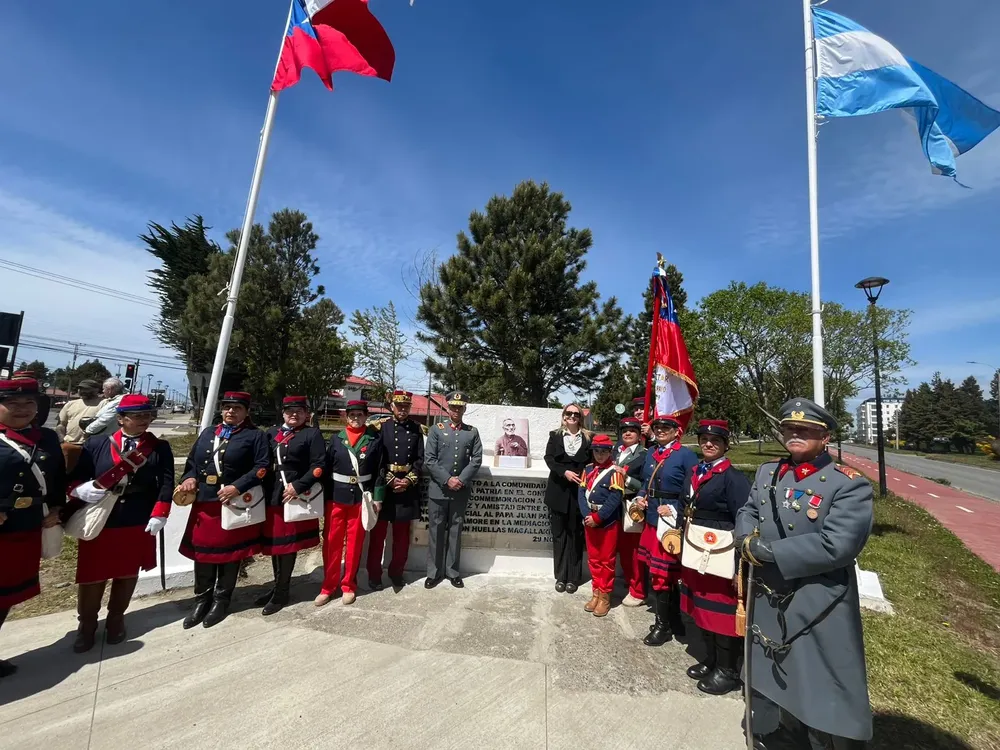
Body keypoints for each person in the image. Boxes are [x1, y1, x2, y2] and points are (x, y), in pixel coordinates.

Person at [736, 398, 873, 750]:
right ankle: (779, 730)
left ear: (824, 436)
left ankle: (822, 738)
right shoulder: (769, 472)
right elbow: (749, 510)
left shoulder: (848, 484)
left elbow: (838, 546)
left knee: (820, 676)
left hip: (816, 594)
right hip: (769, 590)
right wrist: (745, 537)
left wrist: (770, 552)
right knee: (771, 667)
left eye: (805, 430)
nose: (794, 434)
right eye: (789, 429)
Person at [65, 395, 173, 651]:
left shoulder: (159, 447)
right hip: (102, 518)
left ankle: (116, 619)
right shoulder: (98, 444)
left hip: (137, 517)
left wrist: (161, 512)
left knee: (127, 573)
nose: (144, 421)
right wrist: (80, 490)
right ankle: (87, 625)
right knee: (92, 576)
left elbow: (166, 482)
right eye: (138, 416)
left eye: (148, 416)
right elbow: (77, 478)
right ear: (121, 419)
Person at [177, 391, 269, 629]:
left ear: (246, 412)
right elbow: (192, 463)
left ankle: (221, 600)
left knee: (230, 556)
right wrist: (189, 478)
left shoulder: (254, 436)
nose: (231, 412)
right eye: (227, 407)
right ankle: (202, 599)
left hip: (232, 504)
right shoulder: (209, 433)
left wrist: (237, 487)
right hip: (205, 504)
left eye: (237, 408)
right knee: (203, 554)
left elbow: (262, 468)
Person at [678, 419, 750, 696]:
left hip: (721, 552)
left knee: (721, 611)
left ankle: (728, 670)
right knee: (703, 607)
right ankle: (711, 660)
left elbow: (742, 518)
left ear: (725, 445)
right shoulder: (696, 471)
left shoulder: (733, 478)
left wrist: (738, 565)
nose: (709, 444)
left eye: (715, 441)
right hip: (697, 548)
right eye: (705, 439)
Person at [0, 378, 65, 679]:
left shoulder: (48, 438)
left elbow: (56, 479)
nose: (22, 410)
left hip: (26, 529)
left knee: (6, 596)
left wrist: (55, 508)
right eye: (12, 405)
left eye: (29, 404)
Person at [634, 414, 698, 646]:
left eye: (666, 427)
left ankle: (664, 626)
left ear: (676, 431)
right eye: (657, 427)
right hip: (652, 519)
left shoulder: (686, 455)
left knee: (664, 575)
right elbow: (645, 482)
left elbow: (692, 490)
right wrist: (642, 497)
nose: (660, 430)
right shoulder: (651, 452)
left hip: (671, 521)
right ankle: (673, 619)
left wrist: (675, 510)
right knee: (658, 572)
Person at [258, 396, 323, 615]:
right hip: (273, 496)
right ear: (283, 412)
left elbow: (318, 465)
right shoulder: (272, 433)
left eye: (299, 411)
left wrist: (298, 485)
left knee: (286, 546)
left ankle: (282, 591)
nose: (294, 414)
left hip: (294, 495)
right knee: (275, 545)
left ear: (306, 414)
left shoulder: (311, 434)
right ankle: (276, 586)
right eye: (289, 411)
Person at [317, 400, 385, 606]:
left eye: (360, 414)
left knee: (355, 544)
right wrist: (324, 498)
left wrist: (378, 497)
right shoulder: (337, 439)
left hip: (361, 497)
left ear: (366, 416)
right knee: (331, 542)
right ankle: (328, 587)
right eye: (352, 414)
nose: (356, 418)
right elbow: (327, 469)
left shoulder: (374, 439)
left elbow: (380, 470)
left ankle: (348, 585)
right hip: (336, 497)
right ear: (347, 416)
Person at [423, 391, 482, 589]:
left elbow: (476, 459)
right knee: (436, 532)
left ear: (465, 408)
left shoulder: (472, 432)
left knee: (456, 532)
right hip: (439, 490)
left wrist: (461, 480)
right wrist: (447, 479)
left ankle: (453, 572)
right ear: (448, 408)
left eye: (460, 407)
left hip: (460, 490)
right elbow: (429, 459)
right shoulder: (436, 430)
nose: (456, 410)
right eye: (453, 406)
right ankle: (434, 572)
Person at [366, 390, 423, 591]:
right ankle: (374, 574)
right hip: (384, 487)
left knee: (402, 537)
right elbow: (376, 459)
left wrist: (408, 480)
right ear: (392, 407)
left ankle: (396, 572)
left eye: (406, 406)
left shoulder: (417, 429)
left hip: (406, 489)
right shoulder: (381, 427)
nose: (402, 409)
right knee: (378, 536)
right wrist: (390, 480)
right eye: (399, 406)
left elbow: (420, 459)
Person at [543, 404, 591, 594]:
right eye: (568, 413)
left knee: (576, 535)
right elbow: (549, 459)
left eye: (575, 414)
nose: (572, 416)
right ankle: (561, 576)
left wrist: (581, 474)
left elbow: (594, 460)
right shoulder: (554, 436)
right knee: (559, 534)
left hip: (579, 492)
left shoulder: (589, 437)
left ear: (580, 418)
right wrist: (564, 472)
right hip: (558, 491)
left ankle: (573, 576)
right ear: (563, 416)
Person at [578, 433, 624, 617]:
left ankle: (605, 597)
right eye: (596, 451)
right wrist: (587, 515)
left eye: (603, 452)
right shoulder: (588, 469)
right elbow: (581, 493)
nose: (600, 455)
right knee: (594, 559)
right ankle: (596, 592)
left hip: (607, 522)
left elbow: (615, 498)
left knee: (607, 561)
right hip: (589, 519)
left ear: (610, 452)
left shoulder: (615, 472)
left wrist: (598, 518)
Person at [614, 417, 648, 607]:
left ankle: (638, 590)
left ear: (639, 434)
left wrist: (626, 478)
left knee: (633, 551)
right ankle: (629, 581)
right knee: (623, 549)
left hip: (631, 506)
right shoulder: (616, 451)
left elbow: (645, 483)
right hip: (615, 505)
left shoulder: (644, 454)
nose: (627, 434)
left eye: (632, 431)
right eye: (624, 430)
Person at [56, 379, 103, 445]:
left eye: (86, 389)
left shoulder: (104, 403)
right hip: (69, 445)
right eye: (80, 388)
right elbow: (61, 425)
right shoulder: (70, 404)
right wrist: (62, 441)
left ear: (96, 390)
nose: (81, 391)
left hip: (93, 445)